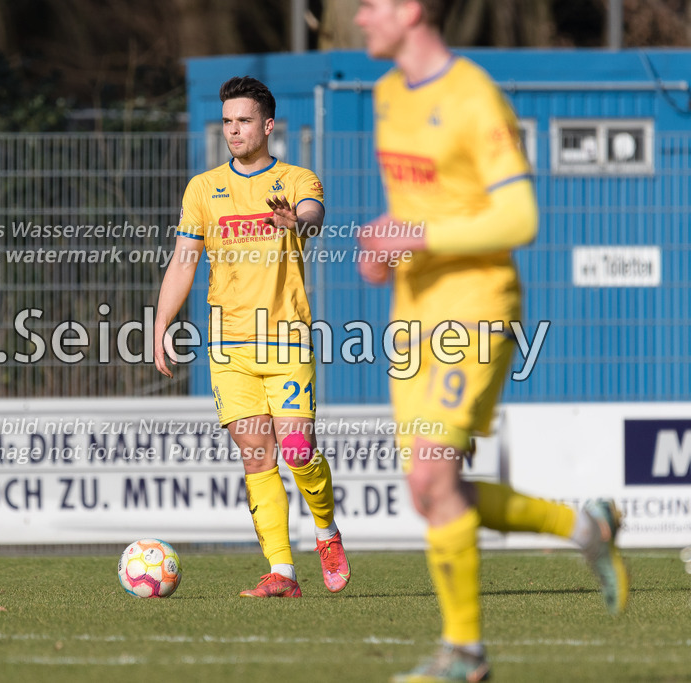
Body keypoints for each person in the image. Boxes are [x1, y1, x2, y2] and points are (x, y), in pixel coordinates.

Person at [353, 1, 628, 680]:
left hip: (475, 309)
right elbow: (421, 204)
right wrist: (387, 241)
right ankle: (581, 525)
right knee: (431, 491)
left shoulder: (474, 98)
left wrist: (416, 235)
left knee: (429, 474)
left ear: (411, 10)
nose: (359, 18)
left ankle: (465, 655)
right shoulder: (387, 95)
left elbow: (520, 216)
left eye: (369, 4)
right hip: (412, 312)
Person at [153, 76, 349, 598]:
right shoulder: (203, 187)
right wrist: (161, 322)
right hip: (229, 344)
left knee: (298, 449)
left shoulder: (297, 177)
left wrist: (295, 220)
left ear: (267, 125)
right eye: (226, 122)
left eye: (242, 121)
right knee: (256, 454)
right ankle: (282, 572)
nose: (233, 130)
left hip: (285, 337)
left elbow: (313, 216)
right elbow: (184, 260)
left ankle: (327, 532)